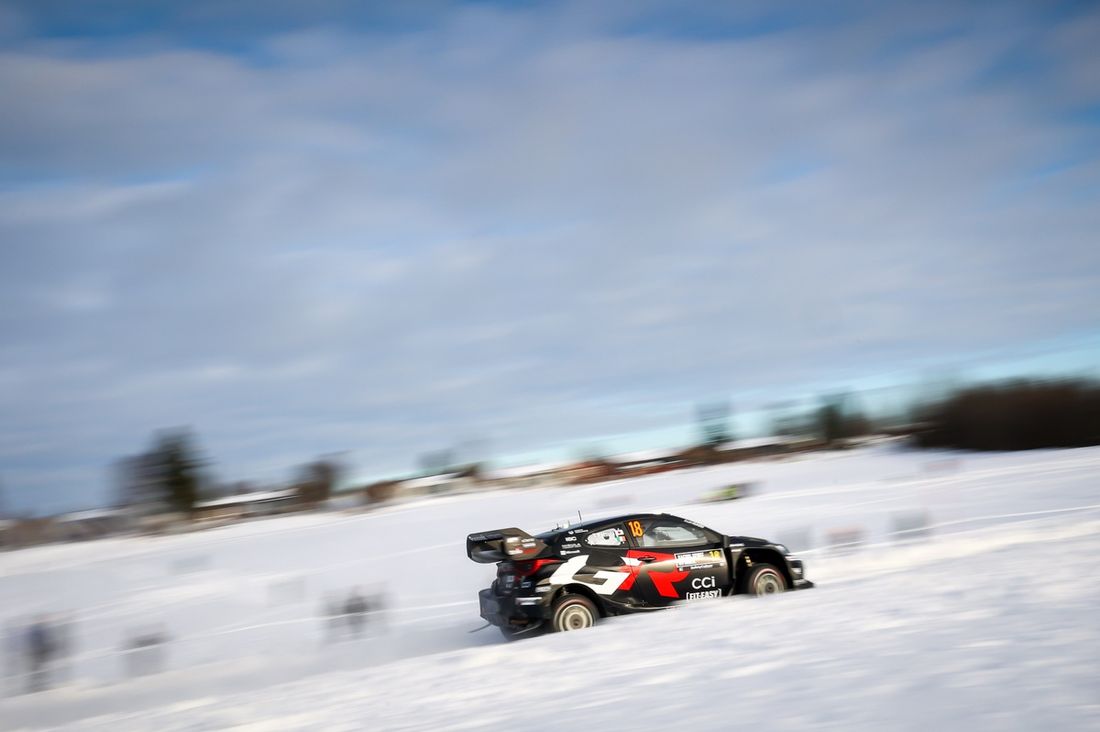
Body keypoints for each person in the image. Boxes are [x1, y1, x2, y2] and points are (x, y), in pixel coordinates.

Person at [26, 616, 55, 692]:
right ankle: (36, 686)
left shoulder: (36, 629)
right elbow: (41, 641)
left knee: (38, 668)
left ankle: (37, 685)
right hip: (38, 651)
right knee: (38, 668)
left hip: (38, 651)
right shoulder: (38, 630)